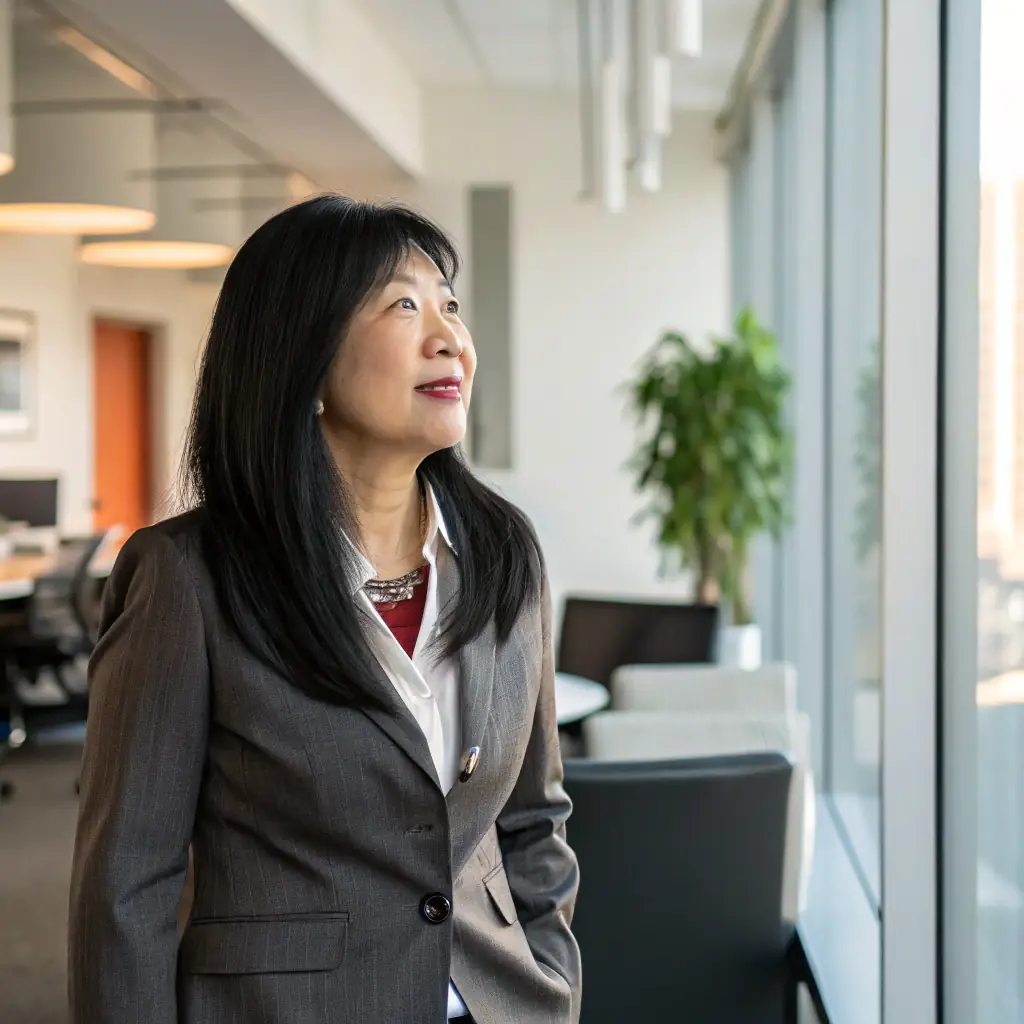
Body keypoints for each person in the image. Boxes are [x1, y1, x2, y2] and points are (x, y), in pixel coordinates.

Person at [68, 195, 581, 1023]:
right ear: (302, 361)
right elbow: (126, 889)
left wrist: (551, 981)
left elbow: (532, 820)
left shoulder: (504, 554)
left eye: (449, 305)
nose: (448, 336)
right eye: (404, 305)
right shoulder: (189, 580)